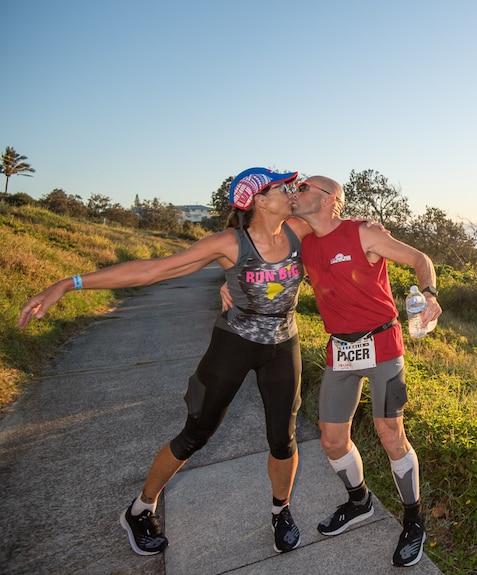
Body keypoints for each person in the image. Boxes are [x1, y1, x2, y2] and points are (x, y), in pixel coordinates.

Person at [17, 167, 312, 556]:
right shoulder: (229, 243)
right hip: (235, 344)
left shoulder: (299, 230)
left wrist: (374, 228)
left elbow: (336, 212)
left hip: (283, 344)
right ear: (258, 199)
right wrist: (69, 283)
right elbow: (152, 270)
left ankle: (281, 510)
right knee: (196, 432)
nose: (292, 191)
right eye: (283, 187)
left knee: (283, 437)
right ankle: (141, 508)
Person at [252, 175, 441, 567]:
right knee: (332, 440)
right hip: (340, 350)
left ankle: (413, 520)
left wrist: (431, 296)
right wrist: (231, 286)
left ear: (329, 200)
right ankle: (360, 501)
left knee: (390, 434)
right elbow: (254, 246)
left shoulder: (365, 233)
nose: (296, 191)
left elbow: (420, 260)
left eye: (304, 187)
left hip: (383, 345)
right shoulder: (303, 239)